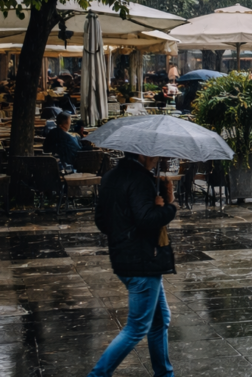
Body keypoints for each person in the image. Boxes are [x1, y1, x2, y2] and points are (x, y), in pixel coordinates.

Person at [88, 153, 178, 377]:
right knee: (137, 327)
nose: (158, 159)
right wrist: (169, 205)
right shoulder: (140, 180)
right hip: (142, 262)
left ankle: (164, 373)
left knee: (160, 319)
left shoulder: (110, 176)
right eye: (155, 155)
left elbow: (102, 219)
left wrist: (123, 234)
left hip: (124, 256)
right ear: (142, 153)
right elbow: (147, 219)